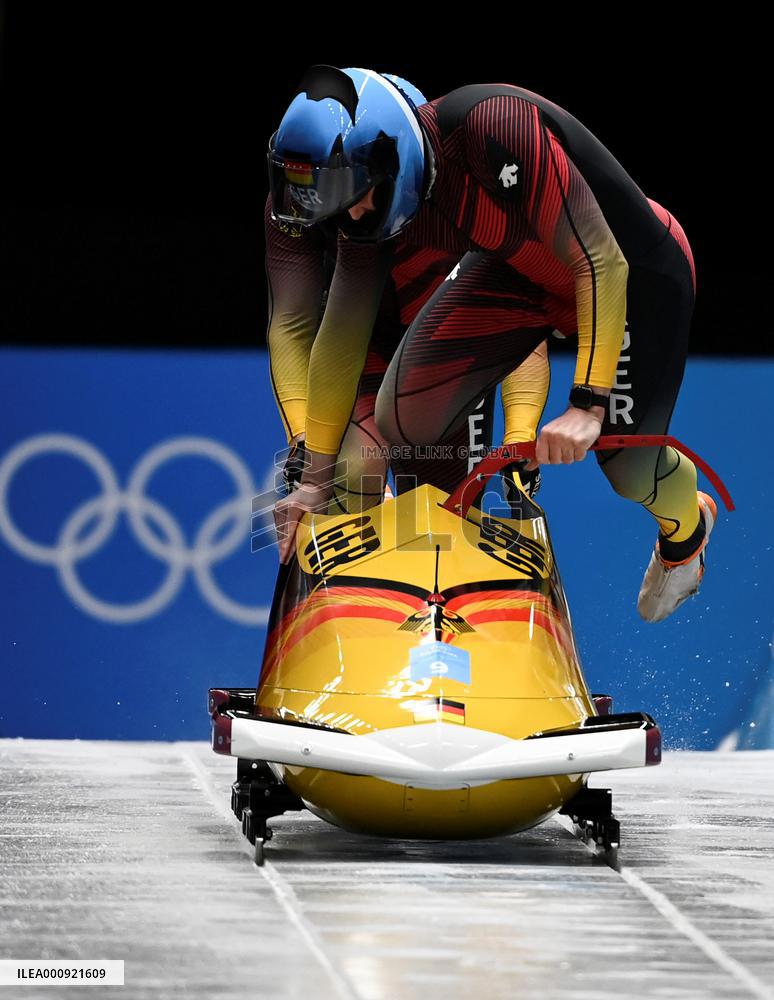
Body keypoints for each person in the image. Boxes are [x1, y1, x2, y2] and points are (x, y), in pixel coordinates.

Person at [268, 65, 714, 622]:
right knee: (404, 419)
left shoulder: (493, 124)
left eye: (357, 198)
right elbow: (339, 333)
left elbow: (602, 259)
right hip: (524, 276)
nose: (354, 215)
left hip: (632, 276)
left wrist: (587, 403)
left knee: (629, 471)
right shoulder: (372, 207)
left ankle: (687, 534)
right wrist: (313, 484)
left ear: (392, 158)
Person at [266, 69, 546, 549]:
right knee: (354, 473)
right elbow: (293, 324)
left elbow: (518, 318)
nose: (327, 211)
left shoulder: (464, 187)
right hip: (359, 357)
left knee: (436, 533)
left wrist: (520, 432)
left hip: (444, 360)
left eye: (337, 192)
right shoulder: (299, 194)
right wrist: (303, 446)